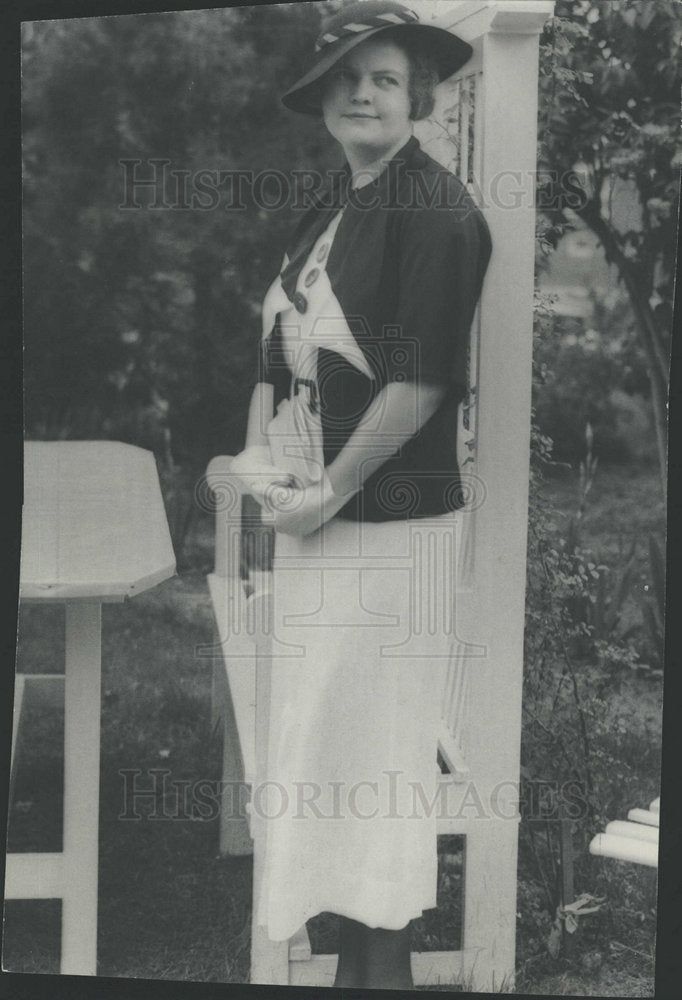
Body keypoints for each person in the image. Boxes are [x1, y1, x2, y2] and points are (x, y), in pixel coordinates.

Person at [230, 1, 492, 989]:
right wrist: (259, 464)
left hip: (389, 530)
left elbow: (421, 383)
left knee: (374, 780)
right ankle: (352, 974)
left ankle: (375, 976)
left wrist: (328, 493)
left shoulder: (439, 213)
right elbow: (275, 347)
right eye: (344, 78)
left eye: (382, 76)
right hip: (314, 526)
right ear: (323, 100)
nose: (362, 92)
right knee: (329, 773)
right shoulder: (331, 203)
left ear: (416, 92)